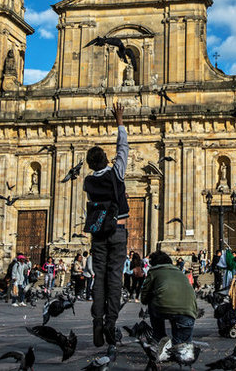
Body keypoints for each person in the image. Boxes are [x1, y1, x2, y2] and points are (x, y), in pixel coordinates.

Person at [83, 102, 129, 351]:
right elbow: (123, 150)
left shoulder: (88, 181)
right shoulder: (116, 173)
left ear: (91, 165)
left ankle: (97, 322)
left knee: (99, 278)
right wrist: (119, 122)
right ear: (105, 160)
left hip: (98, 234)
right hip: (118, 231)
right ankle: (111, 322)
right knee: (114, 278)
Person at [141, 250, 199, 363]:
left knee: (152, 300)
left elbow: (144, 297)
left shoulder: (154, 272)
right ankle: (176, 348)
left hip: (162, 309)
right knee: (182, 350)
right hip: (189, 313)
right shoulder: (179, 272)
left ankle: (159, 337)